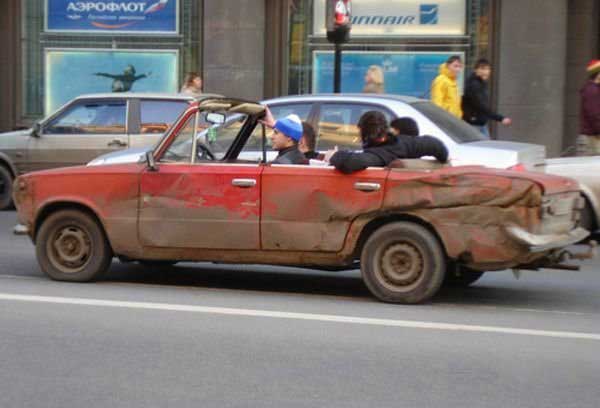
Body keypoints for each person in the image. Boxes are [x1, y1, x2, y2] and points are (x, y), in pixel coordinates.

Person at [325, 111, 448, 174]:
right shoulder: (407, 143)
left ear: (363, 132)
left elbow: (350, 163)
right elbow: (438, 146)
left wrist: (333, 156)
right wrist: (444, 158)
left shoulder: (378, 155)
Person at [461, 58, 511, 138]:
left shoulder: (481, 83)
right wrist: (500, 118)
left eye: (487, 69)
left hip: (480, 122)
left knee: (486, 144)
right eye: (482, 69)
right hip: (474, 124)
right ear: (476, 70)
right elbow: (481, 106)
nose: (485, 72)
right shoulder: (474, 85)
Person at [577, 60, 600, 156]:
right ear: (598, 74)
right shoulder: (592, 90)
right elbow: (594, 115)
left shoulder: (594, 89)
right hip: (592, 139)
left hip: (593, 137)